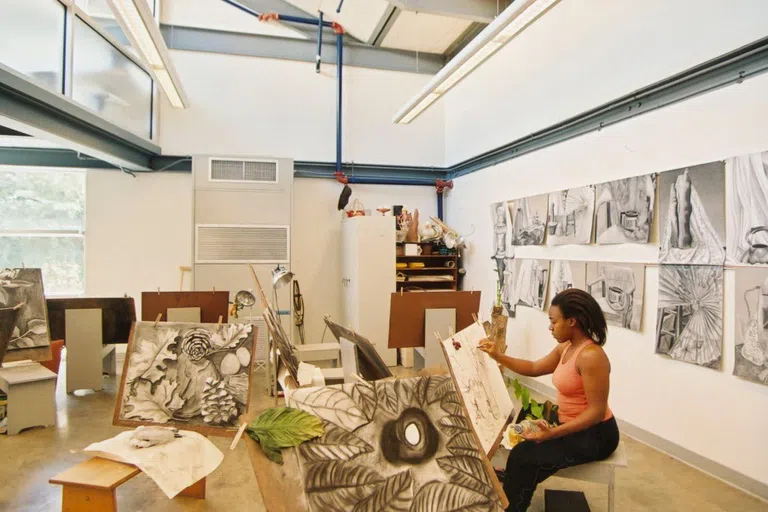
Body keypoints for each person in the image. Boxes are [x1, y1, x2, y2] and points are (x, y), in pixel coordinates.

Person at [479, 288, 619, 512]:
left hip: (597, 434)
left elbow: (595, 412)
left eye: (554, 321)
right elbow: (534, 367)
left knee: (523, 457)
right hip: (571, 424)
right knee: (523, 448)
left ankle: (513, 504)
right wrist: (498, 355)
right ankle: (515, 495)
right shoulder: (566, 347)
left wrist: (552, 434)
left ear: (572, 321)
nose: (550, 327)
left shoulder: (592, 356)